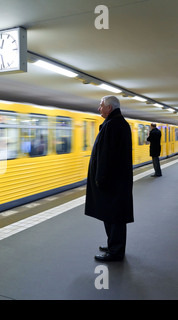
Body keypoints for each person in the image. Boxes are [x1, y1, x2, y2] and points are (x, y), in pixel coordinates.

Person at [85, 96, 134, 262]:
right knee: (111, 215)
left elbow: (107, 156)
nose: (99, 109)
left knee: (115, 217)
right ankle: (113, 245)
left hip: (112, 182)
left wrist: (100, 178)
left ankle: (116, 252)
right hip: (115, 181)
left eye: (101, 106)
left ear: (109, 108)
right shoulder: (116, 123)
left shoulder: (113, 125)